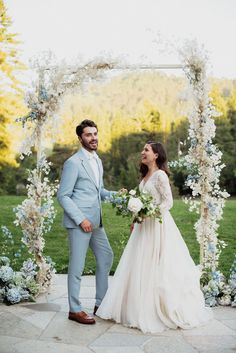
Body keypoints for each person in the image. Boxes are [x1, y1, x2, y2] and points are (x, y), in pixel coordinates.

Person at [96, 141, 213, 333]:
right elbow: (141, 201)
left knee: (157, 262)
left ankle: (157, 308)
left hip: (158, 226)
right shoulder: (144, 177)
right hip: (143, 226)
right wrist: (136, 217)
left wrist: (151, 212)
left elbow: (168, 202)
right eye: (143, 149)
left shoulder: (160, 176)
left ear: (156, 154)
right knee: (139, 263)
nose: (142, 152)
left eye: (146, 150)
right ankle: (135, 306)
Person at [57, 119, 114, 325]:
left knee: (106, 256)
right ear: (80, 137)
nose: (93, 138)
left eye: (95, 134)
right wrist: (81, 219)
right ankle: (75, 309)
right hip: (80, 222)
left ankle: (101, 303)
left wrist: (120, 197)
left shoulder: (97, 161)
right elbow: (63, 195)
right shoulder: (73, 163)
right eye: (89, 134)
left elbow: (99, 191)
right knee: (77, 266)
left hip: (96, 222)